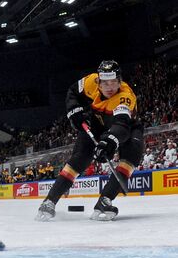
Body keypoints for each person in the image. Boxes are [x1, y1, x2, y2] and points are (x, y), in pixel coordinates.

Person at [37, 60, 144, 221]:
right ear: (98, 81)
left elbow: (121, 125)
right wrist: (74, 110)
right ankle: (49, 201)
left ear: (120, 81)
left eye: (113, 82)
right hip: (97, 124)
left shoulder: (125, 97)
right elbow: (73, 91)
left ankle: (105, 199)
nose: (109, 87)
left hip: (127, 126)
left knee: (132, 155)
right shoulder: (90, 81)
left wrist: (109, 142)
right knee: (79, 159)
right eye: (105, 83)